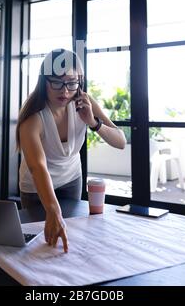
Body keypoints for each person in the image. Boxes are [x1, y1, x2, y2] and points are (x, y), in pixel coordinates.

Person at [16, 49, 126, 253]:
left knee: (71, 238)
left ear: (79, 82)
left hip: (71, 180)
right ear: (44, 81)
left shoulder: (85, 103)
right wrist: (53, 210)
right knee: (40, 244)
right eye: (56, 82)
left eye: (71, 83)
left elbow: (121, 142)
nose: (65, 91)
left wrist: (93, 122)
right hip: (36, 188)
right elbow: (38, 167)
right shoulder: (33, 119)